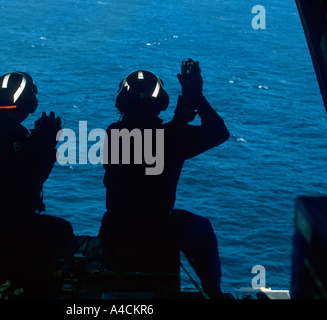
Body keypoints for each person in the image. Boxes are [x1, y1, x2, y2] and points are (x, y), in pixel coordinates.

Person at [98, 61, 230, 299]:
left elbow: (145, 141)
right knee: (203, 229)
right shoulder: (174, 136)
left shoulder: (112, 134)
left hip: (116, 227)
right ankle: (214, 294)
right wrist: (196, 97)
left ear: (122, 103)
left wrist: (177, 123)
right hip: (157, 228)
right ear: (161, 103)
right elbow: (220, 132)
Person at [0, 72, 74, 291]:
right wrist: (47, 142)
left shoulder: (3, 133)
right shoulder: (12, 136)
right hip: (10, 225)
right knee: (63, 232)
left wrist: (40, 141)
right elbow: (33, 175)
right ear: (29, 103)